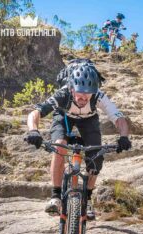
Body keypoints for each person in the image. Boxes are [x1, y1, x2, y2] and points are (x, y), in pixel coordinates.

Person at [25, 64, 131, 220]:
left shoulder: (98, 96)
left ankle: (87, 199)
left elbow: (119, 118)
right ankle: (55, 196)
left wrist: (124, 137)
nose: (82, 99)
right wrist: (33, 130)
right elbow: (36, 112)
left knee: (96, 157)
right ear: (72, 89)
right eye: (79, 94)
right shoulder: (63, 94)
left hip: (89, 120)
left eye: (87, 95)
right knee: (60, 145)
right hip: (64, 117)